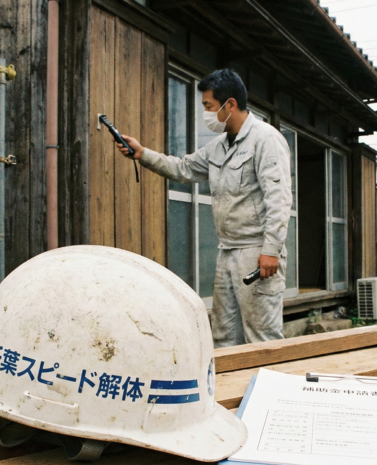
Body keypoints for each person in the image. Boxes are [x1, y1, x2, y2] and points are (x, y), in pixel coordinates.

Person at [113, 69, 293, 347]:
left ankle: (270, 389)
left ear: (230, 104)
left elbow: (279, 198)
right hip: (228, 251)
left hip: (257, 253)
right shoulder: (218, 147)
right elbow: (184, 168)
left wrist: (270, 250)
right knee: (223, 336)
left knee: (263, 337)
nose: (206, 113)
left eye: (208, 106)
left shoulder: (265, 140)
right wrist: (143, 153)